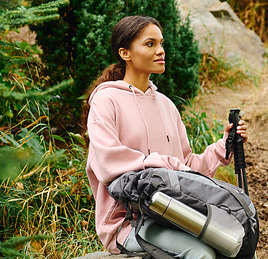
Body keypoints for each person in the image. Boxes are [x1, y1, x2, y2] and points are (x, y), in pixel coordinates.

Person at [83, 15, 248, 259]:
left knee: (232, 245)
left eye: (161, 43)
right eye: (150, 44)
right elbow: (110, 162)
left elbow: (188, 167)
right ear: (125, 53)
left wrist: (224, 145)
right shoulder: (106, 100)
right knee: (200, 254)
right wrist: (165, 164)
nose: (160, 51)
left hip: (175, 212)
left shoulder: (166, 105)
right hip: (129, 223)